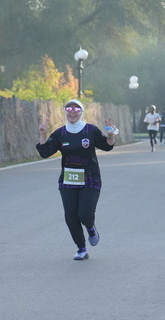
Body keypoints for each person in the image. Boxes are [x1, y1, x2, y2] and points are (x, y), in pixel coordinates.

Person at [36, 99, 116, 261]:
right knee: (71, 216)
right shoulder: (60, 133)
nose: (72, 112)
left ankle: (91, 228)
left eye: (76, 109)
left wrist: (111, 136)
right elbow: (45, 152)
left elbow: (107, 146)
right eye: (69, 109)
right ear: (65, 112)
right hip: (68, 180)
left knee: (85, 214)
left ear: (81, 112)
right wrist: (43, 134)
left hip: (90, 178)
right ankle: (81, 249)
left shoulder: (90, 130)